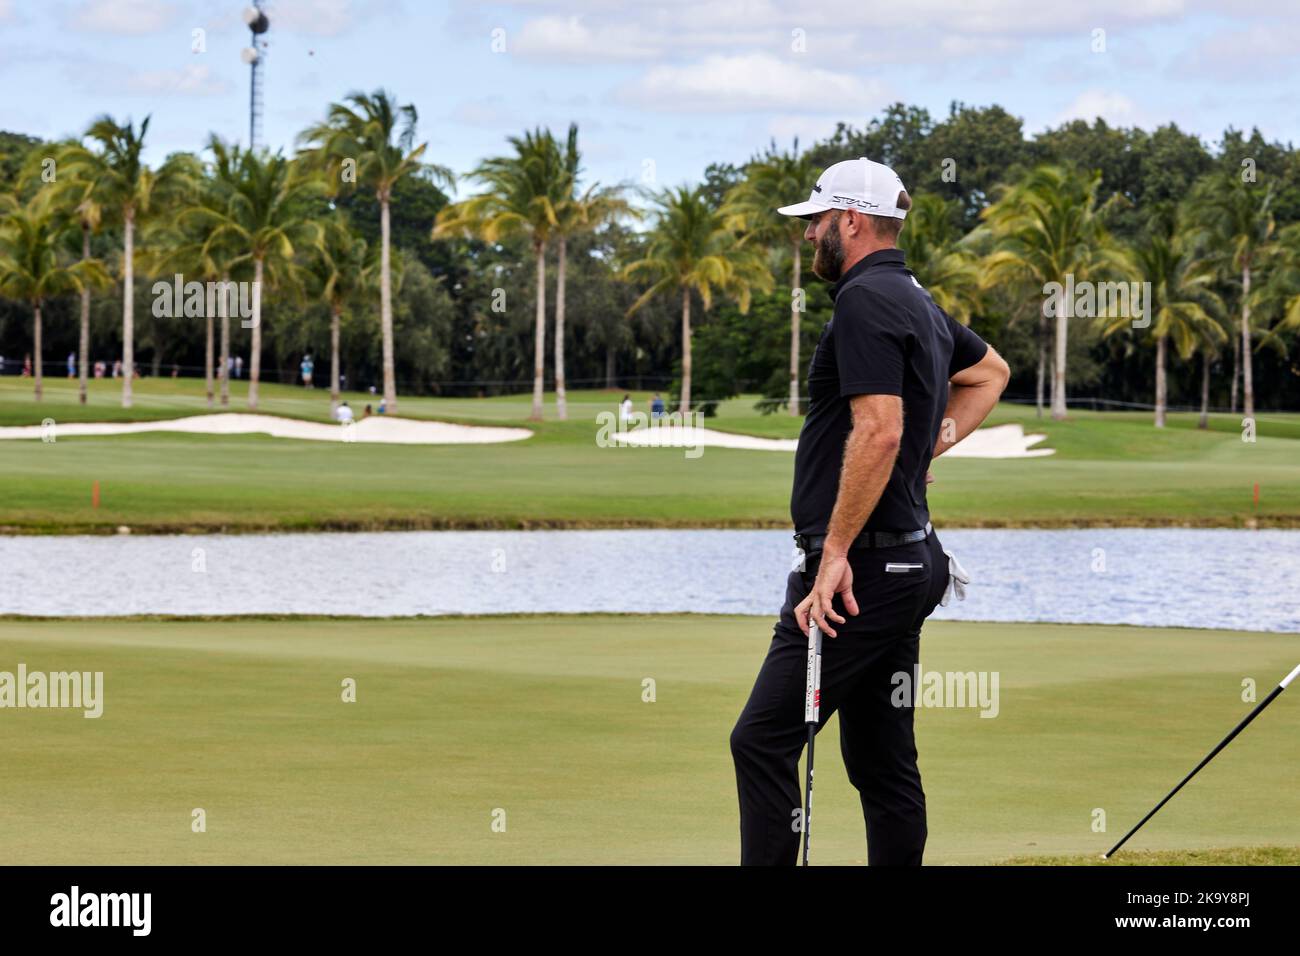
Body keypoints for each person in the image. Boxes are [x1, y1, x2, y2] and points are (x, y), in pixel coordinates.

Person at [729, 157, 1010, 866]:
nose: (808, 237)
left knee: (762, 741)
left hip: (862, 569)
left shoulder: (864, 300)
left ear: (849, 221)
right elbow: (987, 374)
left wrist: (832, 556)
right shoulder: (912, 295)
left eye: (816, 222)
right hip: (909, 561)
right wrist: (924, 451)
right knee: (882, 761)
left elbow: (881, 429)